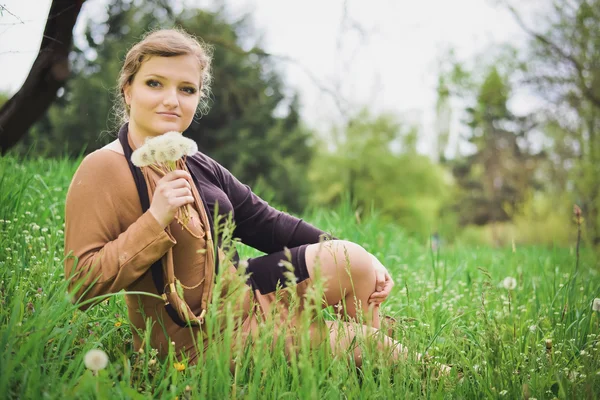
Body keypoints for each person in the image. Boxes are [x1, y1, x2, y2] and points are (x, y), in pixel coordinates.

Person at [64, 28, 411, 368]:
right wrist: (155, 219)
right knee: (370, 344)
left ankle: (356, 367)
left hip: (242, 299)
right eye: (155, 83)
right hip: (198, 340)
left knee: (355, 264)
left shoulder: (193, 161)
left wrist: (366, 256)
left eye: (187, 89)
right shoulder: (105, 167)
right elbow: (81, 283)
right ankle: (412, 367)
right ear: (128, 90)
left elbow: (265, 222)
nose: (172, 100)